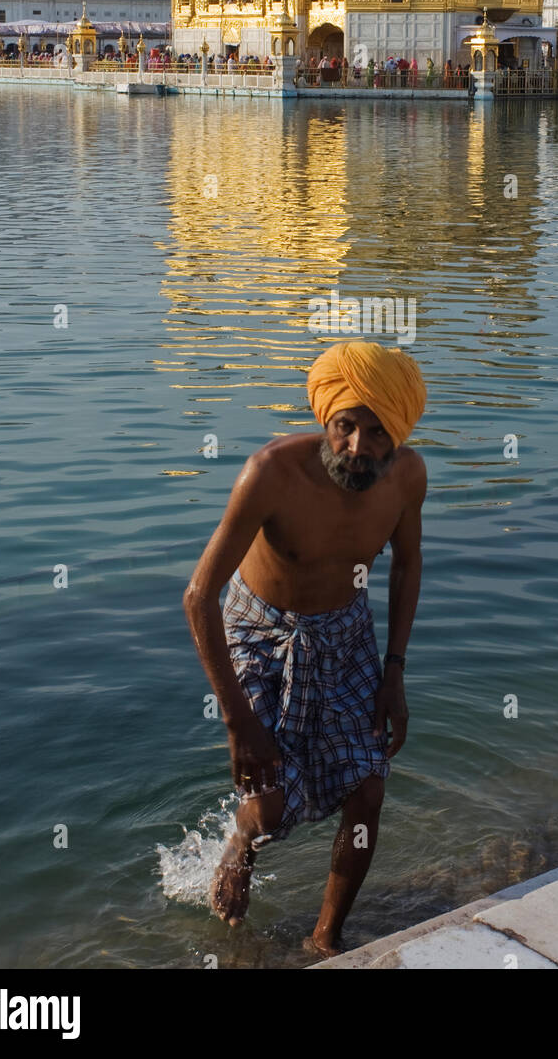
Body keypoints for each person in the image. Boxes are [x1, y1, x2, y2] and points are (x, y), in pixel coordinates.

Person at [183, 340, 427, 957]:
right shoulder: (271, 473)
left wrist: (394, 671)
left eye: (376, 433)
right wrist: (238, 719)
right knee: (266, 806)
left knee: (368, 788)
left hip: (346, 631)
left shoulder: (407, 478)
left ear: (397, 432)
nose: (358, 448)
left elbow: (405, 567)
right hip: (260, 629)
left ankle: (326, 940)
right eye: (346, 427)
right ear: (326, 419)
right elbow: (198, 597)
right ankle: (241, 844)